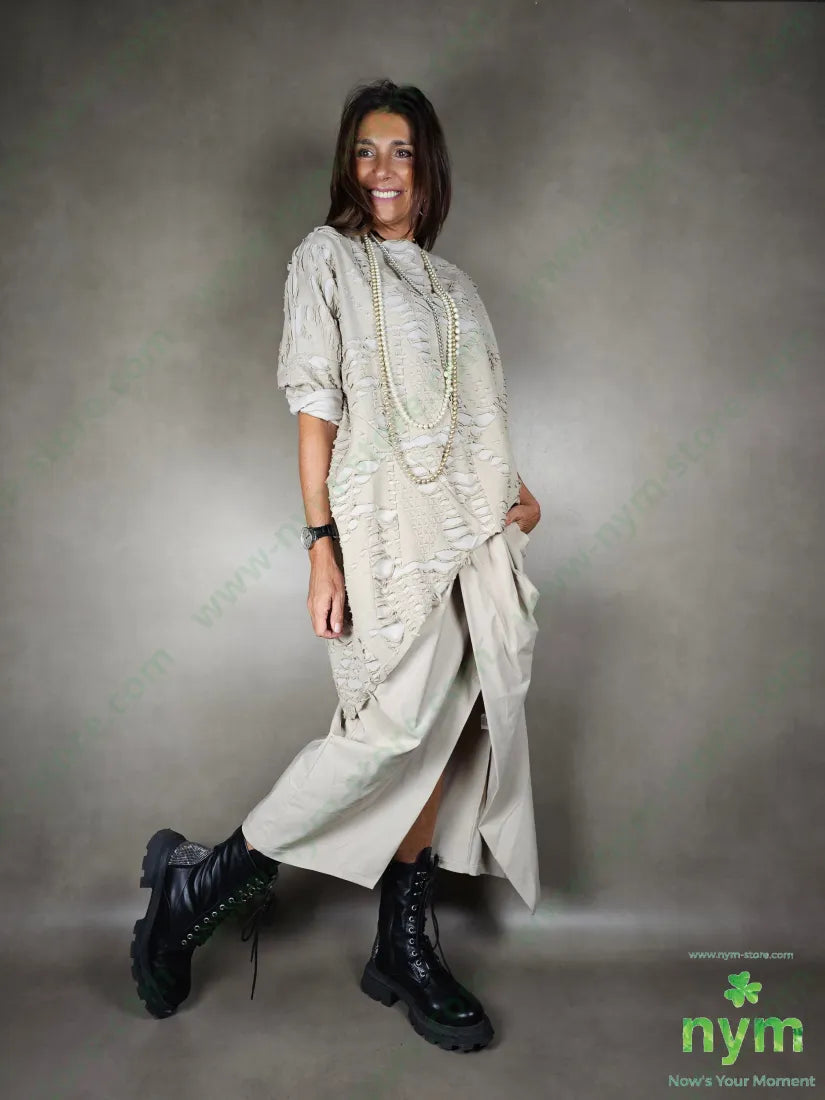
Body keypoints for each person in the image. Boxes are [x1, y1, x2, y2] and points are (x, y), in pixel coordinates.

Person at [130, 78, 542, 1054]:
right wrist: (321, 548)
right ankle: (199, 886)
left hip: (470, 543)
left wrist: (519, 494)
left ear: (428, 167)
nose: (382, 169)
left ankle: (401, 947)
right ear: (346, 166)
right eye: (365, 150)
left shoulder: (457, 289)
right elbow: (315, 411)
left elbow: (478, 424)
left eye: (401, 150)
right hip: (384, 542)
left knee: (447, 736)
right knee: (382, 734)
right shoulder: (324, 260)